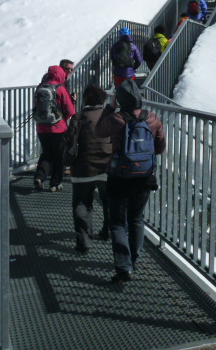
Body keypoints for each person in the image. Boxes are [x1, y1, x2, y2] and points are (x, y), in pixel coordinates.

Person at [94, 79, 166, 283]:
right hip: (144, 177)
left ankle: (123, 267)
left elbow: (98, 131)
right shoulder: (152, 118)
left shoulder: (117, 118)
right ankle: (134, 259)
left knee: (117, 223)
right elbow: (160, 148)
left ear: (121, 99)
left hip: (119, 177)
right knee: (136, 218)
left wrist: (110, 107)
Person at [64, 84, 113, 252]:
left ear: (85, 99)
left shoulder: (79, 117)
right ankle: (107, 232)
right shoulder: (110, 116)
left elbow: (69, 140)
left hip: (83, 168)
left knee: (82, 204)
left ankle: (84, 242)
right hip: (107, 167)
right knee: (109, 201)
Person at [34, 65, 76, 192]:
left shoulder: (40, 88)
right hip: (58, 128)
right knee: (58, 155)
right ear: (60, 75)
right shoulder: (60, 89)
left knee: (46, 153)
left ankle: (40, 177)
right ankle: (55, 183)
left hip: (41, 127)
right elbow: (70, 111)